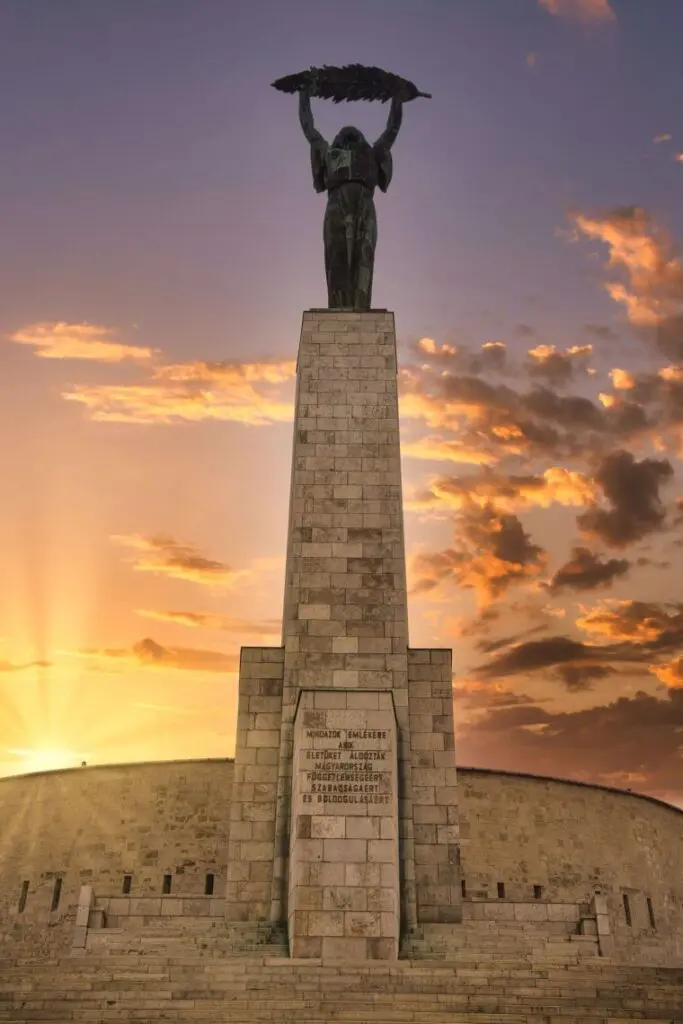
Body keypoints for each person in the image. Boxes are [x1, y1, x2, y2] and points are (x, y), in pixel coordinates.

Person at [298, 86, 405, 310]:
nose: (349, 136)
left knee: (363, 258)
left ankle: (360, 305)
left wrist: (397, 99)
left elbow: (392, 130)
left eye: (354, 135)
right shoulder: (330, 154)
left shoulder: (372, 153)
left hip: (364, 204)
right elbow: (310, 130)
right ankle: (337, 306)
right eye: (345, 135)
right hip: (336, 204)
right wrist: (304, 96)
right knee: (336, 256)